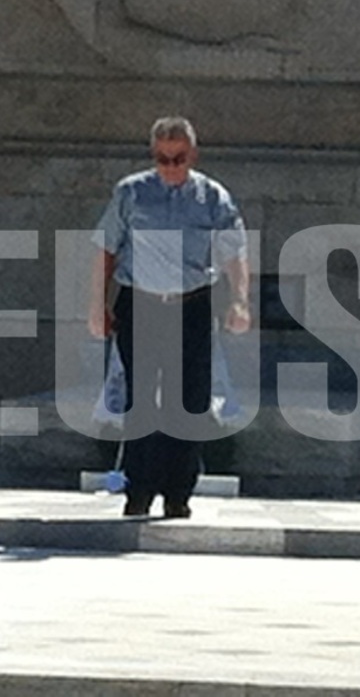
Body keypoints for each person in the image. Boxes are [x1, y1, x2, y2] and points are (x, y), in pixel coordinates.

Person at [88, 116, 250, 518]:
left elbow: (233, 251)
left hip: (191, 305)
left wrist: (240, 301)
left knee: (190, 401)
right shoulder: (131, 193)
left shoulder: (212, 197)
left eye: (178, 159)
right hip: (140, 303)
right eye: (162, 159)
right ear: (153, 155)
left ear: (192, 155)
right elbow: (107, 249)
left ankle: (178, 494)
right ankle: (138, 491)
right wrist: (97, 306)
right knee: (140, 399)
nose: (170, 167)